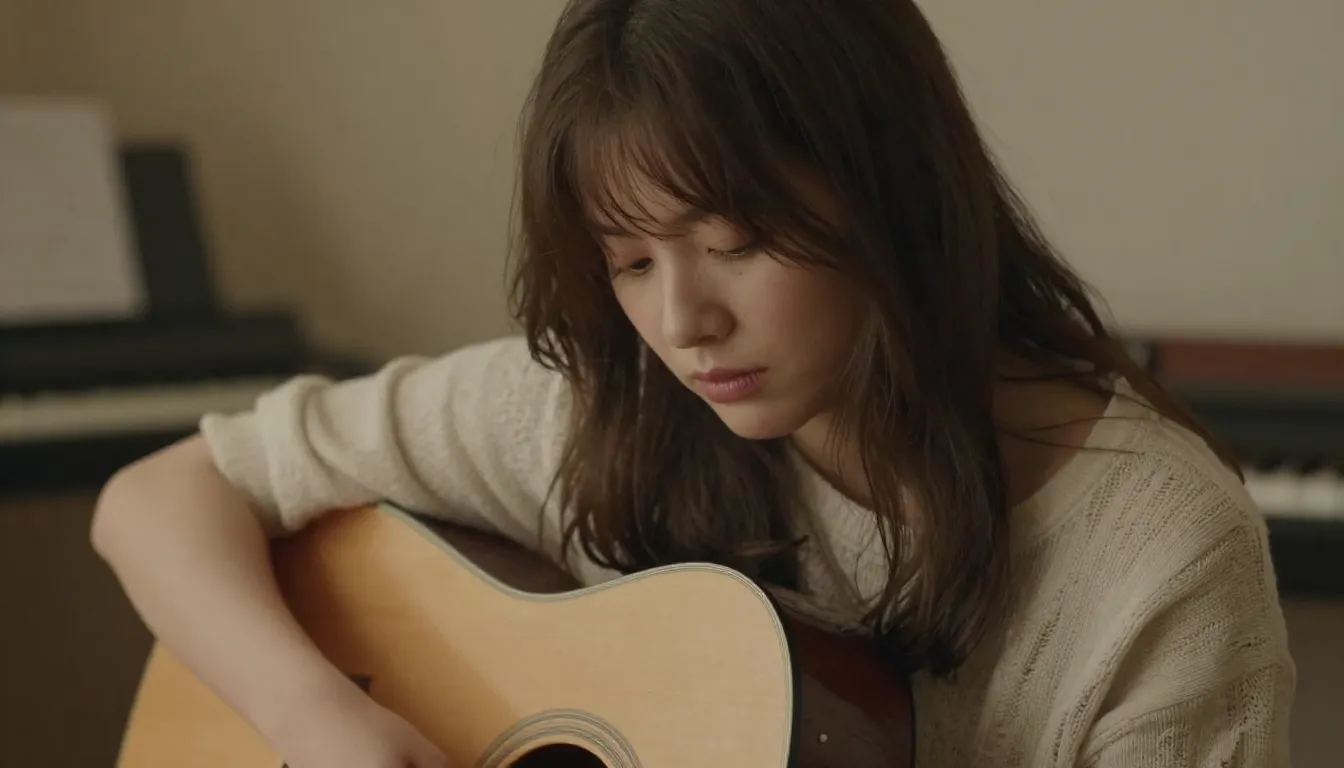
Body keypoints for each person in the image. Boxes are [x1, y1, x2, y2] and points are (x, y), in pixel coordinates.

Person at [91, 0, 1296, 766]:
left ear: (894, 195)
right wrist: (313, 714)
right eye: (629, 262)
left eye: (737, 243)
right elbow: (156, 499)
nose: (683, 324)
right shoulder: (601, 406)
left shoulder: (1159, 557)